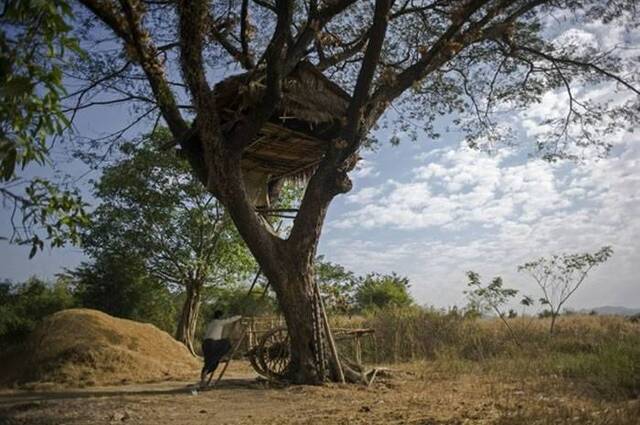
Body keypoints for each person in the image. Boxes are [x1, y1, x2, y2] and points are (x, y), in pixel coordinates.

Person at [200, 310, 242, 388]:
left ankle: (203, 381)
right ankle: (222, 356)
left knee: (209, 362)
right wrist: (239, 316)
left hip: (205, 344)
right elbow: (230, 320)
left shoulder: (211, 323)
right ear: (220, 316)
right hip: (212, 343)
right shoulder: (219, 322)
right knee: (227, 342)